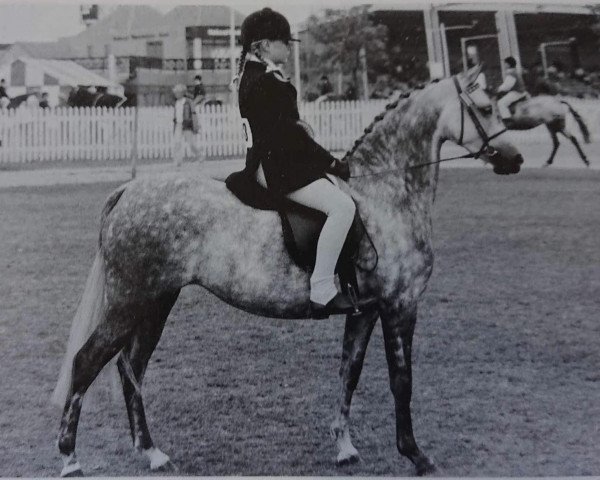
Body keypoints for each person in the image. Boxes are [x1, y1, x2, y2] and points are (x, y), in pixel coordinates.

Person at [230, 7, 372, 318]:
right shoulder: (266, 81)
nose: (288, 46)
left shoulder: (256, 76)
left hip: (273, 162)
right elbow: (291, 137)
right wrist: (332, 163)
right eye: (283, 41)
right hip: (278, 168)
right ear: (265, 45)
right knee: (342, 207)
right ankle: (322, 288)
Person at [172, 83, 204, 167]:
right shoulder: (176, 103)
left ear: (182, 93)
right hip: (179, 125)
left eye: (177, 92)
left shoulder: (188, 102)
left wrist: (195, 124)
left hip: (187, 125)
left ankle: (200, 156)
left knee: (191, 143)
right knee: (177, 143)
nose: (176, 94)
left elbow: (193, 114)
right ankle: (178, 161)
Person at [497, 56, 528, 126]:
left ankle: (507, 120)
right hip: (519, 91)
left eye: (505, 63)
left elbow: (507, 86)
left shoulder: (511, 73)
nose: (504, 65)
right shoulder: (514, 71)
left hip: (517, 92)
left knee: (501, 103)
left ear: (508, 64)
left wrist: (499, 89)